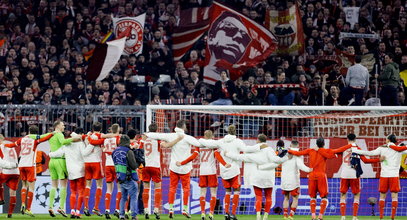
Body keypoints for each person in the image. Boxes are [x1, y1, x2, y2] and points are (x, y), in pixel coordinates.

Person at [199, 125, 261, 220]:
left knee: (227, 192)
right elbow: (246, 149)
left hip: (224, 171)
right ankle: (233, 213)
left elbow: (210, 143)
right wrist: (259, 147)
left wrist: (200, 140)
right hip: (234, 170)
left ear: (227, 131)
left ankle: (226, 213)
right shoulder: (238, 141)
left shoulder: (221, 141)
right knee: (236, 191)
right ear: (236, 131)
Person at [145, 119, 201, 219]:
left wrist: (146, 134)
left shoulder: (170, 136)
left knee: (172, 188)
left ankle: (171, 209)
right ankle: (184, 209)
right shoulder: (187, 138)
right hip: (185, 168)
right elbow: (198, 144)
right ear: (183, 127)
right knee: (186, 189)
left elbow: (157, 135)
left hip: (174, 167)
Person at [288, 137, 352, 220]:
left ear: (316, 143)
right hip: (321, 176)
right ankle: (320, 216)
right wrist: (350, 145)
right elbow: (338, 150)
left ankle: (313, 215)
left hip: (311, 176)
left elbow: (298, 153)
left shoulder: (310, 150)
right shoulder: (325, 151)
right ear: (323, 144)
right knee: (324, 197)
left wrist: (289, 151)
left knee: (313, 197)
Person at [225, 135, 287, 220]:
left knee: (258, 197)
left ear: (257, 140)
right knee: (268, 197)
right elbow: (276, 160)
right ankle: (265, 216)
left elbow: (240, 157)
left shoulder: (254, 152)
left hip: (257, 176)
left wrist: (227, 154)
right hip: (269, 177)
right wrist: (283, 155)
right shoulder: (270, 150)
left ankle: (258, 215)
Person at [352, 134, 407, 220]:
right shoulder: (399, 150)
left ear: (388, 140)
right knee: (394, 196)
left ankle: (381, 216)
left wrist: (356, 150)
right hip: (394, 176)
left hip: (384, 176)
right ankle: (392, 217)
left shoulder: (382, 148)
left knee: (382, 196)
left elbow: (370, 153)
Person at [6, 125, 53, 217]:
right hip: (30, 165)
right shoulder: (35, 140)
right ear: (36, 133)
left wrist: (3, 145)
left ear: (29, 131)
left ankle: (23, 203)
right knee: (31, 187)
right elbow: (46, 138)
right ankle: (28, 209)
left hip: (21, 165)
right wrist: (53, 133)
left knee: (24, 185)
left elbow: (12, 145)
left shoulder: (22, 139)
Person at [139, 123, 182, 219]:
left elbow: (139, 148)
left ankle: (146, 209)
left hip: (145, 165)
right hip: (155, 166)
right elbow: (165, 145)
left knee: (146, 188)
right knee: (157, 188)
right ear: (156, 130)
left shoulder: (143, 139)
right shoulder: (158, 139)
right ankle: (156, 209)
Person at [48, 128, 92, 219]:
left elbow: (58, 153)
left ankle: (72, 210)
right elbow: (84, 153)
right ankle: (77, 212)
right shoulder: (80, 143)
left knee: (73, 192)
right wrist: (90, 145)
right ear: (80, 134)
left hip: (70, 170)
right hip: (80, 170)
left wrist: (50, 154)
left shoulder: (67, 144)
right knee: (81, 192)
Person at [338, 134, 380, 220]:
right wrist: (378, 159)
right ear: (355, 139)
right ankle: (354, 217)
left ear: (347, 139)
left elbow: (334, 153)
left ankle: (343, 216)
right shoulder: (358, 149)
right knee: (356, 195)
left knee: (343, 195)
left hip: (344, 174)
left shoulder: (343, 148)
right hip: (354, 175)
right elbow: (366, 161)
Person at [204, 11, 251, 83]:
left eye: (244, 37)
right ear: (211, 37)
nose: (238, 37)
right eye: (230, 28)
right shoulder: (202, 74)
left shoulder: (240, 75)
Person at [271, 140, 312, 220]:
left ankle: (285, 215)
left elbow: (277, 158)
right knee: (295, 198)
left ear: (290, 145)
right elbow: (300, 166)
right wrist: (309, 170)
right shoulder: (298, 154)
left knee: (286, 198)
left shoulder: (284, 152)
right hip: (294, 180)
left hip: (284, 179)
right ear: (298, 146)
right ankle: (291, 215)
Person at [48, 121, 81, 217]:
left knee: (54, 185)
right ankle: (61, 207)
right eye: (62, 125)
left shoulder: (51, 135)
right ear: (57, 126)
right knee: (63, 185)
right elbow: (63, 142)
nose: (64, 126)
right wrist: (73, 139)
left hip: (52, 161)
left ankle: (50, 206)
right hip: (60, 161)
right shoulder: (59, 134)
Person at [84, 122, 115, 216]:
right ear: (100, 129)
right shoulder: (101, 137)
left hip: (87, 163)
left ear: (93, 128)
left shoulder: (87, 136)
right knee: (99, 185)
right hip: (96, 162)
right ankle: (96, 208)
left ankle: (85, 207)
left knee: (88, 185)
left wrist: (88, 136)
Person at [112, 135, 140, 220]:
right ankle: (134, 215)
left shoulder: (114, 151)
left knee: (123, 197)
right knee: (134, 196)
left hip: (120, 177)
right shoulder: (128, 151)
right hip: (129, 177)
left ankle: (121, 215)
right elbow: (133, 165)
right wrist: (139, 163)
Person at [101, 124, 121, 219]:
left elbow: (102, 148)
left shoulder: (105, 139)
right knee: (120, 188)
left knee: (109, 189)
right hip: (117, 165)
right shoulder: (118, 138)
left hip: (108, 165)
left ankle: (107, 210)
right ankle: (117, 209)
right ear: (118, 129)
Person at [0, 134, 20, 218]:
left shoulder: (1, 146)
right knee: (13, 193)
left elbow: (1, 162)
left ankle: (1, 199)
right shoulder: (9, 144)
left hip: (7, 170)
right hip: (16, 172)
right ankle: (10, 214)